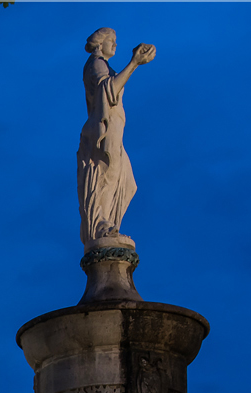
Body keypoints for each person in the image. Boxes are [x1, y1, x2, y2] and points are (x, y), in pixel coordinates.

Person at [77, 27, 156, 248]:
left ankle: (108, 221)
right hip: (104, 127)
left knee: (127, 182)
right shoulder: (96, 64)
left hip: (115, 127)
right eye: (112, 40)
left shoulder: (106, 66)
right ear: (100, 44)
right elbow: (107, 89)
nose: (116, 44)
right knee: (107, 172)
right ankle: (101, 224)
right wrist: (134, 63)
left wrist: (135, 63)